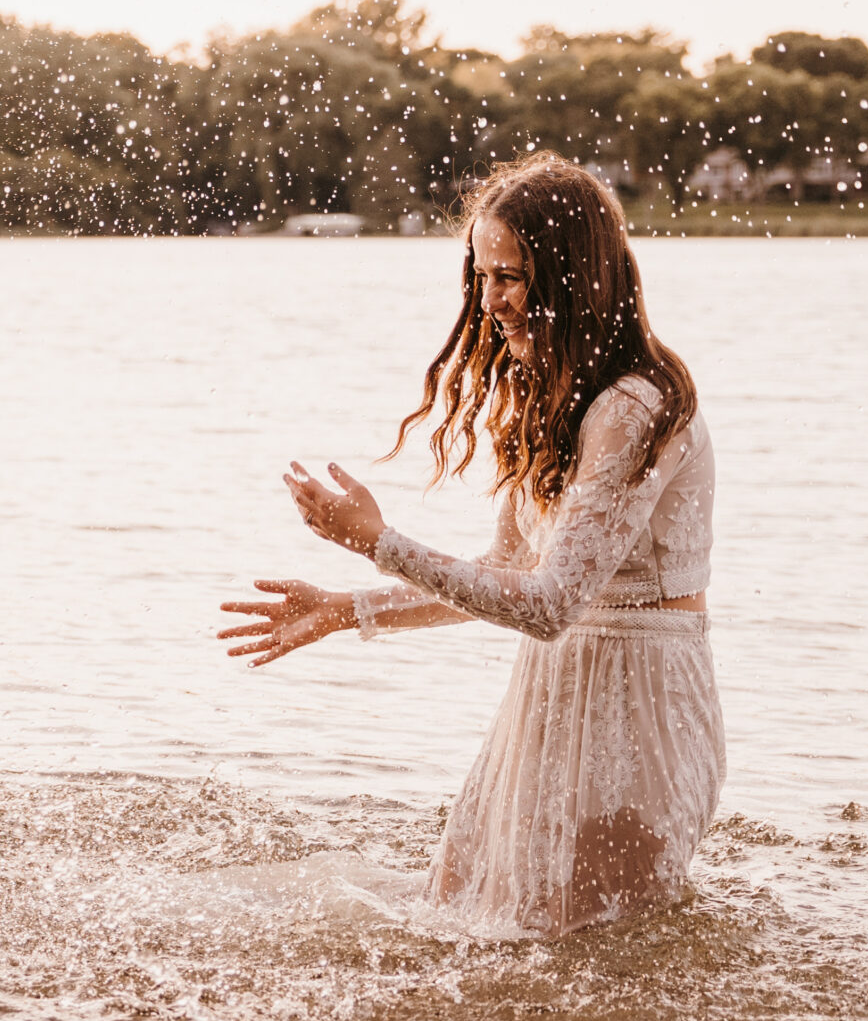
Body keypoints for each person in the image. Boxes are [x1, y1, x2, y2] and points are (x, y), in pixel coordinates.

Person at [217, 152, 722, 937]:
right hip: (552, 693)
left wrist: (381, 544)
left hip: (637, 707)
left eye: (513, 277)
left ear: (575, 275)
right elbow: (503, 576)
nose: (492, 302)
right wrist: (349, 609)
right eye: (482, 276)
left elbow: (549, 605)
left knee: (590, 956)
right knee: (459, 908)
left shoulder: (632, 408)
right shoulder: (553, 396)